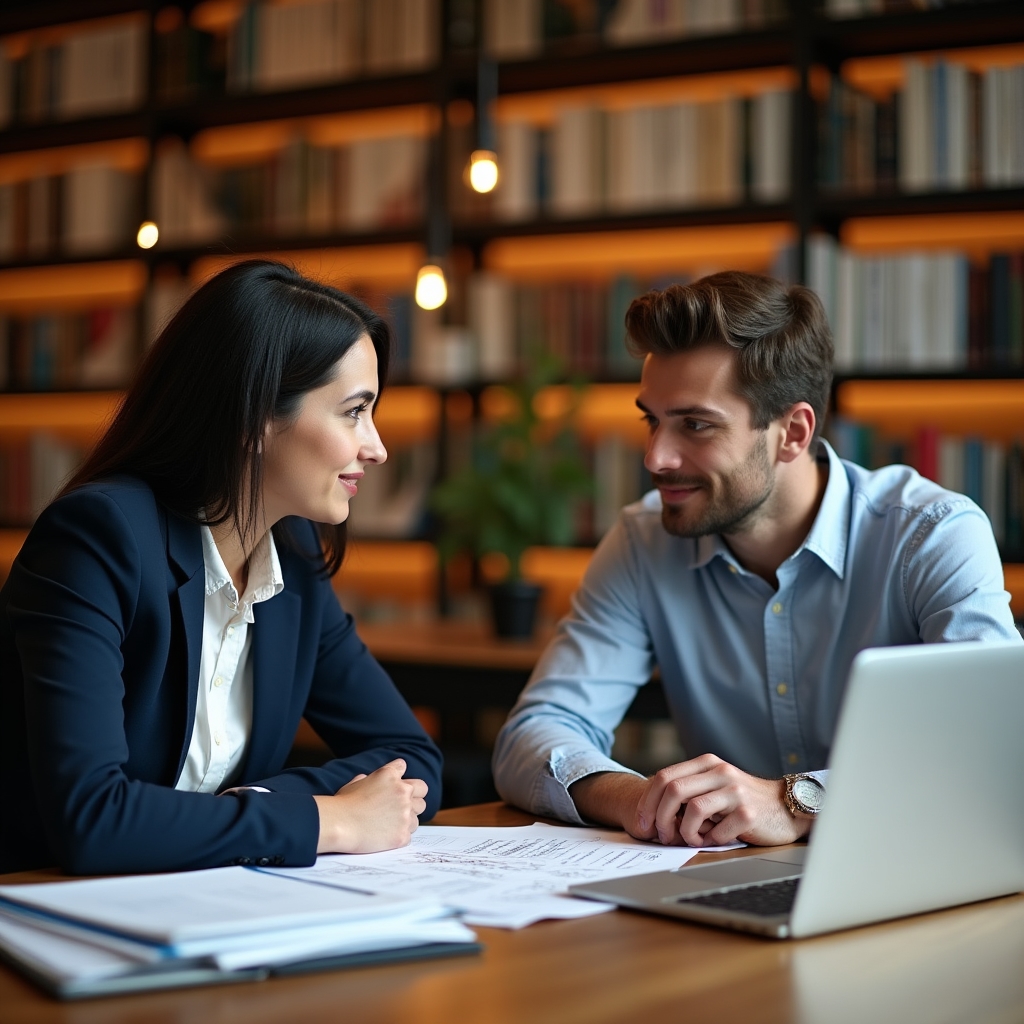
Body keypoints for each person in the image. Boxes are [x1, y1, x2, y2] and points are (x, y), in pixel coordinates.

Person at [493, 270, 1021, 851]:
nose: (656, 457)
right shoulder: (642, 543)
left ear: (792, 432)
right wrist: (643, 800)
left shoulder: (931, 535)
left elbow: (995, 747)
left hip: (908, 866)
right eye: (652, 420)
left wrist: (796, 801)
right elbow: (534, 735)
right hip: (728, 880)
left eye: (695, 425)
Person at [0, 260, 442, 875]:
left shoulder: (294, 560)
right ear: (255, 416)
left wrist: (253, 806)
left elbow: (411, 757)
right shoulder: (98, 539)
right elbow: (92, 818)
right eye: (353, 412)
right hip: (42, 901)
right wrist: (328, 819)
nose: (377, 447)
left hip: (204, 900)